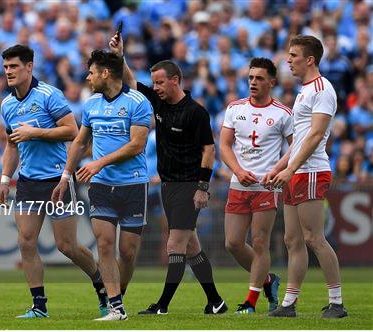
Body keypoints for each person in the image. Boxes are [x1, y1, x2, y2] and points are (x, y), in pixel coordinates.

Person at [109, 32, 227, 315]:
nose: (156, 87)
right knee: (192, 248)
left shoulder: (195, 112)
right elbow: (130, 81)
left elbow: (209, 150)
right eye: (154, 83)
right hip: (168, 185)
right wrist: (119, 55)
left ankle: (162, 306)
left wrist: (202, 187)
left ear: (175, 80)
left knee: (175, 244)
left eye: (160, 82)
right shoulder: (158, 102)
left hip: (188, 186)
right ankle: (216, 302)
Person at [0, 45, 107, 319]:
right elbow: (11, 145)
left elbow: (73, 131)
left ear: (29, 67)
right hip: (28, 181)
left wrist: (36, 132)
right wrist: (4, 178)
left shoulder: (49, 95)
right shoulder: (7, 105)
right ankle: (39, 306)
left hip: (57, 179)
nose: (8, 71)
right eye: (6, 67)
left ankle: (101, 284)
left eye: (14, 66)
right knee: (25, 241)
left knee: (66, 246)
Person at [52, 50, 153, 321]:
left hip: (133, 185)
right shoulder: (92, 104)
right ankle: (116, 307)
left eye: (91, 72)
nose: (88, 77)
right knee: (105, 245)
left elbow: (137, 145)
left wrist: (99, 163)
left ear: (105, 73)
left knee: (127, 253)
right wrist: (66, 176)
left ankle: (119, 294)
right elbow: (81, 142)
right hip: (101, 186)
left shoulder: (138, 102)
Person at [267, 35, 348, 318]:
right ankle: (289, 304)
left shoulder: (322, 88)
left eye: (293, 55)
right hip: (297, 170)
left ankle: (337, 302)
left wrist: (290, 169)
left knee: (315, 238)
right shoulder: (305, 91)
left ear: (310, 59)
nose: (288, 60)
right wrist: (279, 168)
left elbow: (315, 136)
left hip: (311, 170)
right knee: (292, 239)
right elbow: (299, 140)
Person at [219, 57, 293, 314]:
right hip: (239, 184)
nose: (253, 82)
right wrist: (238, 170)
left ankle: (250, 301)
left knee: (260, 242)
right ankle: (268, 280)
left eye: (259, 78)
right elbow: (225, 145)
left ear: (271, 82)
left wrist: (277, 169)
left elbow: (296, 147)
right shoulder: (235, 108)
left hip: (266, 186)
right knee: (233, 243)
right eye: (251, 77)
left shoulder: (283, 113)